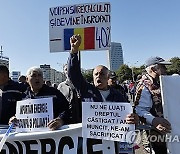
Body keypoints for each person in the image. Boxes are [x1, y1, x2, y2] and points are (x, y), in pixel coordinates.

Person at [67, 34, 138, 123]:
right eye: (96, 74)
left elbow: (128, 112)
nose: (98, 76)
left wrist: (133, 118)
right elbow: (73, 73)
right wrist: (74, 51)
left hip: (113, 134)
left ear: (108, 77)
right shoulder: (86, 90)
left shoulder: (117, 95)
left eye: (102, 74)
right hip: (92, 135)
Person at [135, 56, 172, 154]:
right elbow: (139, 110)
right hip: (157, 134)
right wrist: (154, 120)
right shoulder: (144, 85)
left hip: (170, 129)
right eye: (162, 67)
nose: (166, 70)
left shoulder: (161, 82)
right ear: (153, 69)